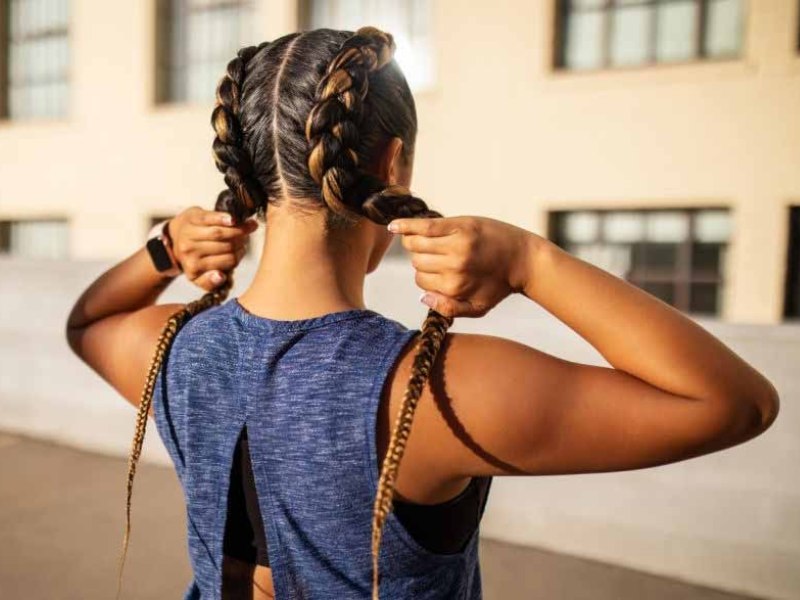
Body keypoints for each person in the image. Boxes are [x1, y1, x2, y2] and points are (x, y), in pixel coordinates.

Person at [65, 26, 780, 600]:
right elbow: (733, 403)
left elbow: (87, 325)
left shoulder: (176, 349)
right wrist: (533, 262)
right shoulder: (430, 391)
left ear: (247, 174)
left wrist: (163, 250)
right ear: (395, 168)